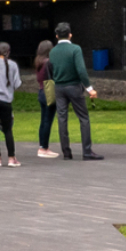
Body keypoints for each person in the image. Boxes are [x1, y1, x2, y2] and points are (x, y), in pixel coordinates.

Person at [46, 23, 102, 160]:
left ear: (57, 36)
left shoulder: (52, 51)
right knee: (83, 118)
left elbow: (51, 70)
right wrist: (90, 88)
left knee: (62, 119)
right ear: (70, 35)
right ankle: (87, 151)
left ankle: (66, 152)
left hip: (58, 88)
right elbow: (81, 70)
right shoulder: (75, 49)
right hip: (74, 86)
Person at [33, 39, 60, 158]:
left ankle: (42, 146)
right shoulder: (49, 62)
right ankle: (44, 148)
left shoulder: (38, 62)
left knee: (43, 120)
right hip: (49, 92)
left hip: (41, 91)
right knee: (48, 121)